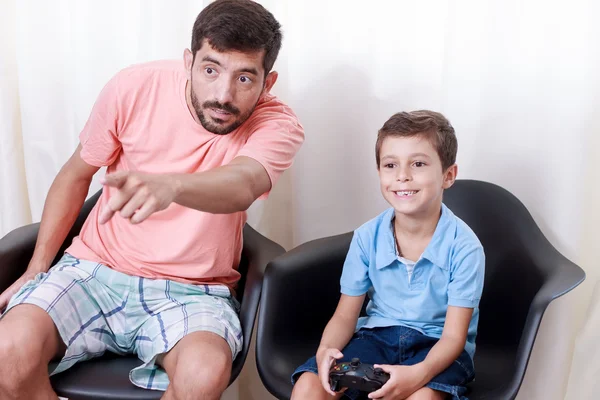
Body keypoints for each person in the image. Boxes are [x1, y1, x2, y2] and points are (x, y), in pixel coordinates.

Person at [0, 1, 304, 399]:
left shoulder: (277, 124)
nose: (223, 95)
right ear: (188, 61)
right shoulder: (133, 87)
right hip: (93, 270)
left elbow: (243, 183)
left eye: (244, 78)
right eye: (210, 70)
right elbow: (76, 174)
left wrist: (173, 186)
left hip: (193, 289)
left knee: (203, 374)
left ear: (268, 81)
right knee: (8, 351)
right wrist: (37, 267)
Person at [290, 111, 484, 400]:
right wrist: (325, 349)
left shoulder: (466, 248)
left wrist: (419, 373)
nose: (402, 176)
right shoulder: (367, 237)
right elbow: (345, 315)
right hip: (376, 338)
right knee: (308, 385)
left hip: (436, 347)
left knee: (422, 398)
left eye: (418, 164)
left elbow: (454, 338)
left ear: (448, 175)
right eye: (390, 165)